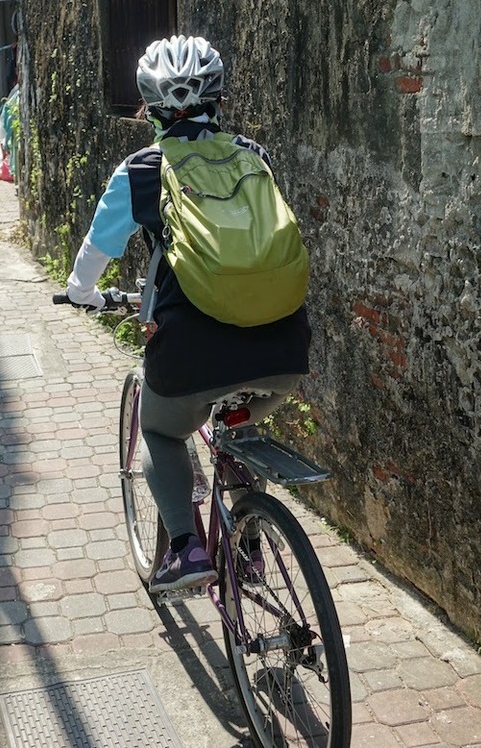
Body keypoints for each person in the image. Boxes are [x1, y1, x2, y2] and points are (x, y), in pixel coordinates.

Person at [66, 35, 311, 592]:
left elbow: (91, 261)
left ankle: (185, 550)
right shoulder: (254, 155)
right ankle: (249, 541)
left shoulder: (141, 171)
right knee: (241, 424)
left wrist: (82, 293)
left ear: (149, 108)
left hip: (191, 357)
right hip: (284, 349)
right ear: (217, 99)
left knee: (158, 429)